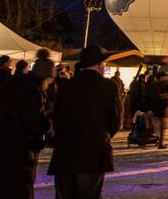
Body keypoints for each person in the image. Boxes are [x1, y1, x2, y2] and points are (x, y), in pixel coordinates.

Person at [48, 45, 122, 199]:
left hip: (65, 152)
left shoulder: (65, 86)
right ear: (100, 65)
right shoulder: (108, 86)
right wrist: (103, 135)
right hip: (92, 152)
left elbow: (57, 118)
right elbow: (115, 121)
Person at [0, 55, 51, 198]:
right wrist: (46, 119)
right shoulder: (33, 92)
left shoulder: (14, 83)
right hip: (20, 148)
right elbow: (35, 124)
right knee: (21, 187)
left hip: (4, 142)